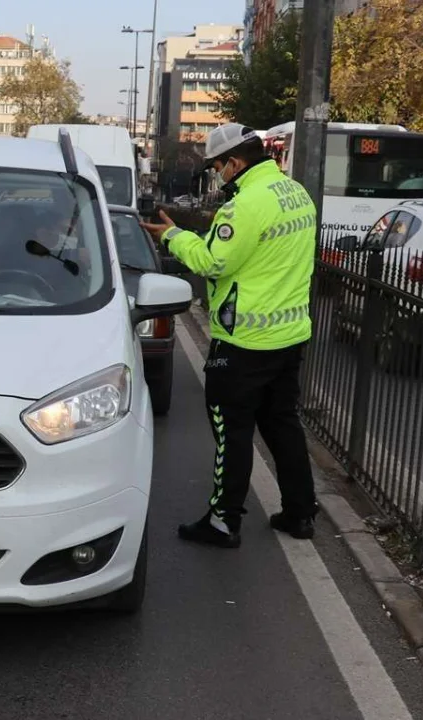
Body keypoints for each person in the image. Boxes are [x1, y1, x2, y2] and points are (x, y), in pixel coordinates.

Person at [140, 123, 318, 549]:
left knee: (231, 431)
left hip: (244, 343)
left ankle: (223, 521)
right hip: (289, 335)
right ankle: (300, 513)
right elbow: (256, 256)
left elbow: (212, 264)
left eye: (218, 166)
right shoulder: (296, 194)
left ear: (234, 162)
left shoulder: (244, 207)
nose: (217, 174)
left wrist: (175, 237)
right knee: (283, 426)